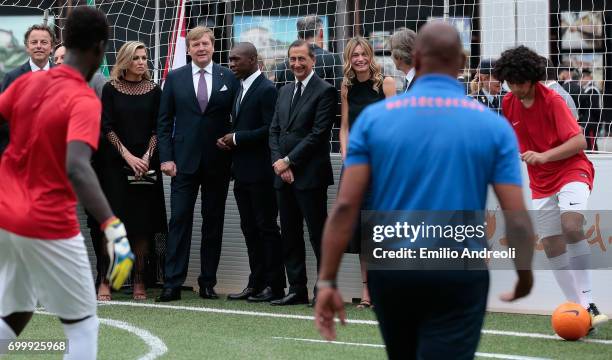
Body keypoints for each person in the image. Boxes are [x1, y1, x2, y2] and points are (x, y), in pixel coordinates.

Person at [315, 22, 535, 359]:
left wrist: (327, 280)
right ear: (462, 62)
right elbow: (516, 217)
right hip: (457, 268)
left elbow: (345, 207)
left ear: (415, 58)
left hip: (392, 267)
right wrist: (524, 273)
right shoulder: (492, 126)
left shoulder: (375, 120)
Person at [0, 7, 133, 359]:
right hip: (47, 222)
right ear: (100, 47)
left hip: (6, 217)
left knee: (17, 308)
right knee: (83, 325)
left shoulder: (25, 82)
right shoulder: (84, 98)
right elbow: (77, 166)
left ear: (63, 42)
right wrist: (112, 225)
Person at [493, 45, 608, 328]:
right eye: (510, 83)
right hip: (540, 180)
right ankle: (577, 308)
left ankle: (588, 302)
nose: (515, 89)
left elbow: (579, 142)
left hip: (572, 169)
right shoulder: (508, 102)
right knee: (550, 242)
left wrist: (543, 155)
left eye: (520, 83)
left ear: (533, 78)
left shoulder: (553, 101)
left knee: (570, 227)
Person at [156, 26, 238, 302]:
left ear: (213, 46)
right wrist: (165, 157)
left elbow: (236, 118)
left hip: (218, 162)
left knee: (213, 222)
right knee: (179, 220)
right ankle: (172, 283)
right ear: (188, 49)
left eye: (205, 43)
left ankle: (207, 283)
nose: (201, 48)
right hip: (182, 163)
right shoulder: (175, 78)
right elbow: (164, 122)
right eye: (195, 44)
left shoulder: (228, 77)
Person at [97, 41, 167, 301]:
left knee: (142, 226)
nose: (141, 62)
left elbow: (157, 128)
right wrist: (127, 156)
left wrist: (146, 157)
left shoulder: (154, 90)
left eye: (144, 57)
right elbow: (107, 127)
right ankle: (107, 279)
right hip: (116, 166)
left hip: (146, 167)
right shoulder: (110, 89)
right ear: (125, 60)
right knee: (114, 226)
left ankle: (138, 279)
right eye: (136, 57)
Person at [269, 39, 336, 306]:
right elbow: (274, 131)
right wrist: (278, 163)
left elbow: (318, 135)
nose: (296, 64)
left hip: (310, 177)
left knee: (318, 234)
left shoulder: (325, 91)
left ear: (313, 61)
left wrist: (289, 161)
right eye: (293, 59)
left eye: (302, 59)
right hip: (283, 177)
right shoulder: (284, 91)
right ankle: (297, 289)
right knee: (290, 234)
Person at [216, 43, 286, 302]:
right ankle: (255, 283)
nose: (231, 63)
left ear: (253, 60)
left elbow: (271, 129)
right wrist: (229, 141)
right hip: (243, 173)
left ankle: (275, 285)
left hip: (262, 174)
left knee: (266, 228)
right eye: (230, 59)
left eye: (236, 59)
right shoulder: (241, 87)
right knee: (249, 229)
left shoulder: (267, 89)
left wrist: (236, 138)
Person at [338, 36, 395, 308]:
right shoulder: (346, 86)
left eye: (363, 54)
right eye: (354, 55)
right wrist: (347, 154)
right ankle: (367, 292)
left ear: (370, 55)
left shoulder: (386, 83)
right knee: (362, 231)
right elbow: (345, 127)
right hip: (355, 167)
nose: (359, 59)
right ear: (349, 59)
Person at [0, 24, 55, 156]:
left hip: (54, 153)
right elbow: (2, 119)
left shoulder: (63, 77)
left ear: (52, 47)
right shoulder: (12, 77)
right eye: (34, 42)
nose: (39, 46)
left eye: (44, 42)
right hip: (20, 154)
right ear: (27, 47)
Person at [273, 15, 343, 89]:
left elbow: (277, 98)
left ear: (298, 36)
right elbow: (338, 92)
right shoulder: (333, 59)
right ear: (321, 33)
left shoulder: (282, 67)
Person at [578, 68, 602, 150]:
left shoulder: (592, 89)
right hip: (588, 121)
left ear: (588, 77)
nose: (580, 79)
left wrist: (592, 121)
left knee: (591, 144)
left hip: (591, 122)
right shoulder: (586, 89)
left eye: (582, 77)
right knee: (588, 143)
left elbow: (594, 109)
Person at [388, 28, 417, 92]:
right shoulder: (411, 79)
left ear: (398, 56)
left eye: (391, 52)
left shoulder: (418, 83)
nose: (390, 57)